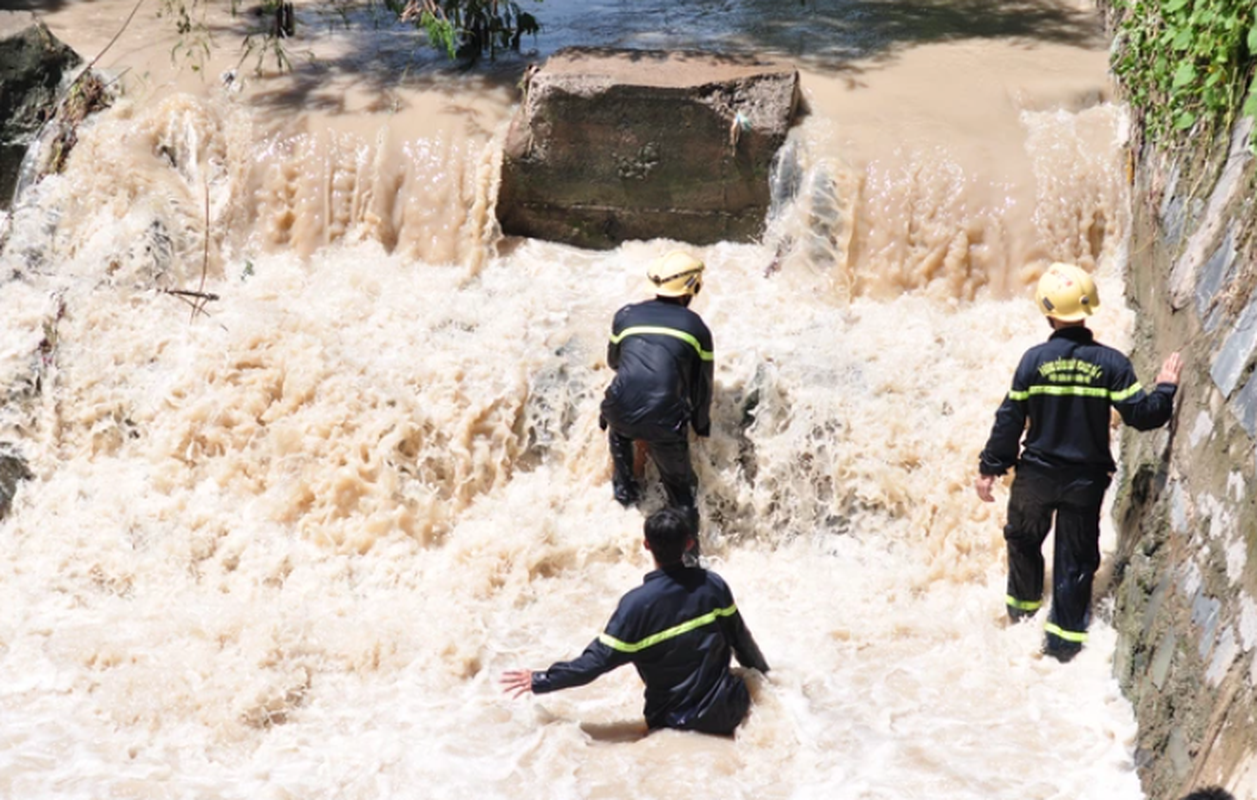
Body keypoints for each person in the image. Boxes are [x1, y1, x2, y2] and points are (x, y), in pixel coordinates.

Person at [975, 262, 1182, 662]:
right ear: (1088, 309)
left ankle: (1021, 621)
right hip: (1085, 482)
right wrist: (1167, 388)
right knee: (1074, 560)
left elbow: (1009, 421)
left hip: (1035, 476)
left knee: (1023, 542)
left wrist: (990, 467)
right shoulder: (1112, 364)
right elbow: (1145, 416)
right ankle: (1063, 651)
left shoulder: (1032, 362)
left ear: (1048, 312)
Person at [500, 508, 769, 735]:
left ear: (646, 545)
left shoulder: (636, 606)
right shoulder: (713, 586)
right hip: (728, 713)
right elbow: (741, 642)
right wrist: (768, 681)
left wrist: (542, 679)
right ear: (689, 543)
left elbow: (594, 664)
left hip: (670, 725)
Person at [600, 251, 713, 518]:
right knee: (682, 495)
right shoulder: (696, 327)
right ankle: (687, 555)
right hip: (664, 423)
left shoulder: (625, 315)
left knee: (620, 444)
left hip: (617, 410)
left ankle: (624, 502)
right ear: (692, 286)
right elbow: (702, 386)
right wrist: (701, 425)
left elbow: (614, 362)